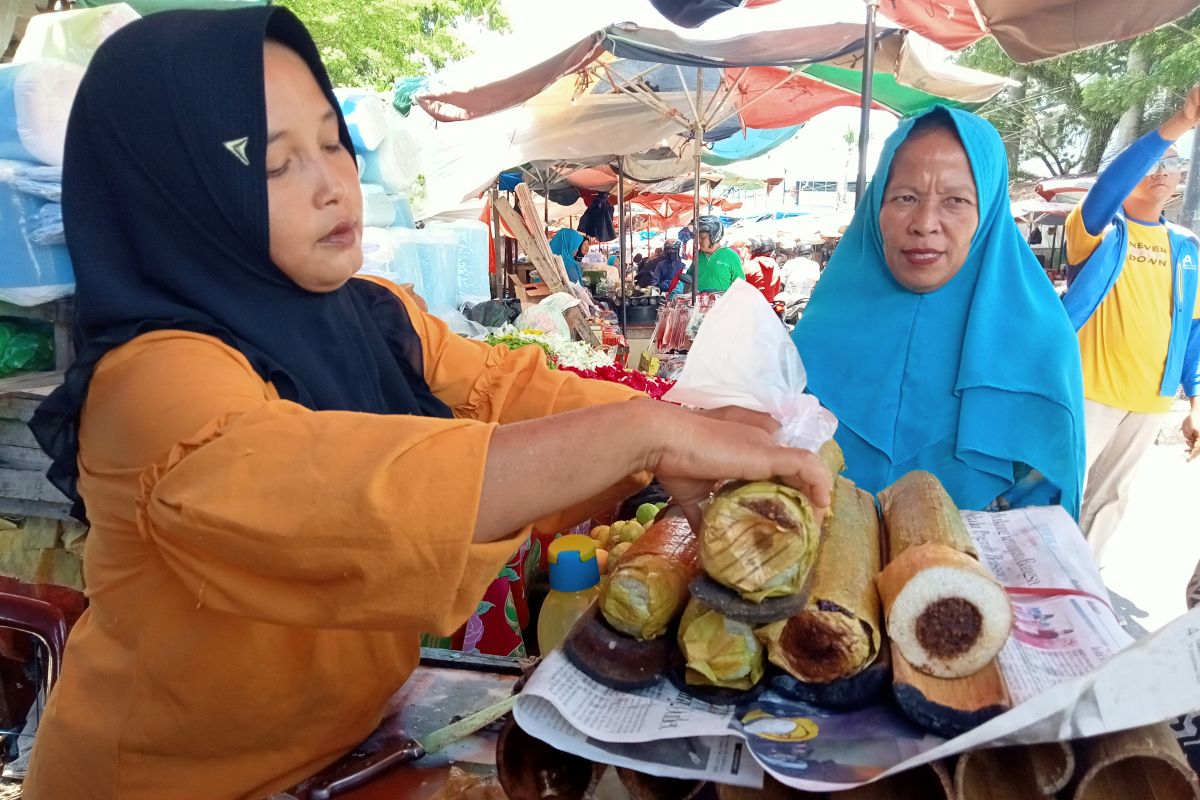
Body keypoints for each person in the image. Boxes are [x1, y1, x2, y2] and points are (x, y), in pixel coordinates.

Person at [23, 10, 833, 799]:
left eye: (333, 140)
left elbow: (508, 393)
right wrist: (646, 435)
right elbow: (346, 498)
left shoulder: (370, 314)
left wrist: (697, 426)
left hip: (350, 751)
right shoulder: (153, 379)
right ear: (174, 191)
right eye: (274, 164)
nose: (333, 183)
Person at [793, 106, 1085, 516]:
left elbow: (1041, 520)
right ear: (876, 204)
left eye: (955, 200)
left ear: (989, 214)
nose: (925, 222)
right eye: (905, 197)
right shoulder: (817, 334)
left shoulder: (1040, 346)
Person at [1061, 86, 1200, 559]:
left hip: (1150, 401)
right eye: (1153, 163)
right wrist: (1179, 122)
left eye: (1172, 162)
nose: (1162, 171)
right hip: (1087, 390)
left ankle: (1082, 586)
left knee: (1110, 502)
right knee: (1059, 491)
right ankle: (1036, 581)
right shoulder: (1095, 228)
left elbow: (1194, 331)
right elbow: (1107, 188)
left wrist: (1195, 401)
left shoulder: (1187, 248)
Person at [689, 215, 745, 293]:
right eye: (697, 237)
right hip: (699, 303)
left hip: (721, 304)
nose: (698, 240)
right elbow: (689, 278)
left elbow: (741, 286)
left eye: (702, 237)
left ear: (714, 236)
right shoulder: (698, 255)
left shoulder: (731, 256)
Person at [743, 236, 782, 301]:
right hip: (768, 306)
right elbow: (776, 291)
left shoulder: (749, 265)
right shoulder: (776, 266)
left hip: (749, 305)